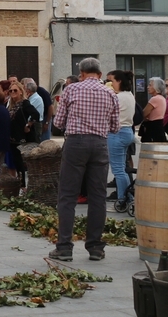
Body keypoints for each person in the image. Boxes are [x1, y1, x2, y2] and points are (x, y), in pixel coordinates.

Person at [50, 57, 119, 263]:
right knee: (97, 196)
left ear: (81, 74)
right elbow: (115, 126)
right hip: (99, 145)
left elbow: (59, 122)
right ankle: (95, 247)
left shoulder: (71, 90)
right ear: (99, 74)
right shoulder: (110, 93)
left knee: (68, 195)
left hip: (76, 144)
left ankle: (64, 247)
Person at [106, 70, 136, 210]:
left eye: (111, 81)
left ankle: (123, 199)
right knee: (122, 168)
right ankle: (128, 197)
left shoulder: (118, 97)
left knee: (118, 170)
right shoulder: (129, 95)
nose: (109, 84)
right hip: (127, 131)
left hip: (117, 133)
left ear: (119, 81)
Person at [7, 79, 40, 185]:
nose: (12, 93)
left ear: (21, 91)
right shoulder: (10, 105)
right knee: (16, 162)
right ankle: (19, 184)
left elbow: (35, 114)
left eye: (15, 90)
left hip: (22, 138)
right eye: (11, 91)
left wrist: (28, 125)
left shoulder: (24, 103)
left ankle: (23, 186)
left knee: (22, 163)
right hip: (12, 137)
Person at [140, 77, 168, 143]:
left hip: (153, 127)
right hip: (159, 126)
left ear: (156, 87)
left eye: (150, 85)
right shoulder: (161, 98)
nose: (148, 87)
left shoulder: (155, 99)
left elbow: (144, 113)